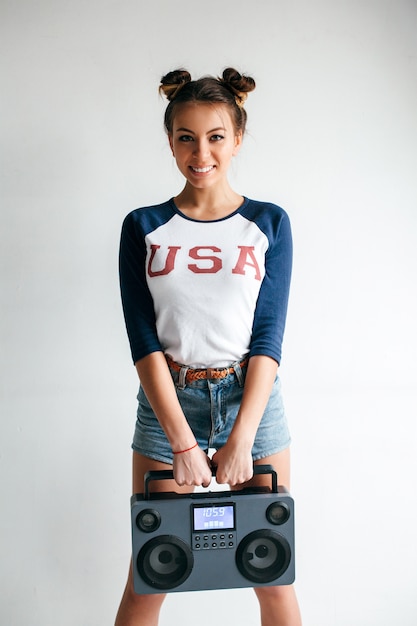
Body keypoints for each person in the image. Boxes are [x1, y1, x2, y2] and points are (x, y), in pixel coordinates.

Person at [115, 67, 302, 626]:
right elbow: (142, 338)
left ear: (237, 138)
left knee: (272, 575)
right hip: (168, 404)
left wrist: (242, 436)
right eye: (186, 137)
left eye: (216, 136)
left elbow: (269, 336)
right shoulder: (143, 226)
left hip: (254, 403)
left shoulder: (267, 223)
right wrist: (182, 442)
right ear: (170, 141)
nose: (202, 152)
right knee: (151, 575)